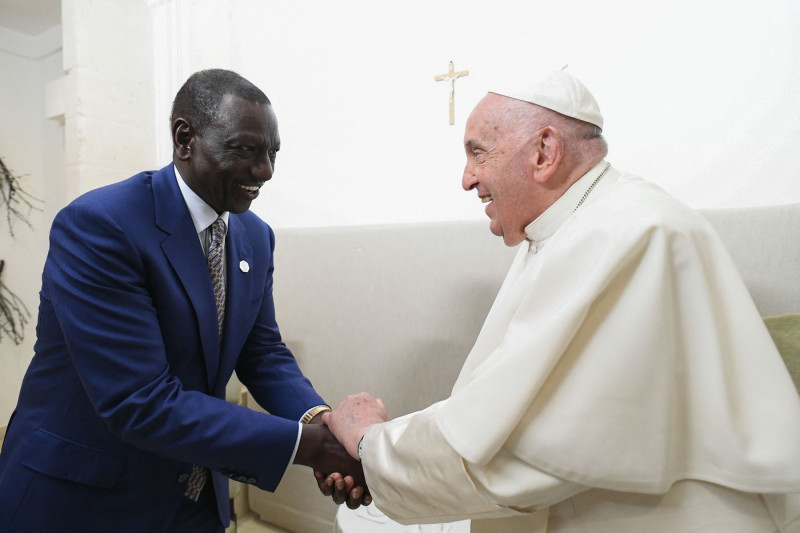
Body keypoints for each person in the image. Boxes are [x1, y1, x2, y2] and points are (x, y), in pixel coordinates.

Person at [323, 69, 800, 532]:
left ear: (545, 152)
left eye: (478, 153)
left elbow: (521, 448)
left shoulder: (633, 235)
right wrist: (378, 447)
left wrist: (368, 442)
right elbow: (492, 408)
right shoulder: (571, 228)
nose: (467, 179)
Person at [0, 69, 367, 533]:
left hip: (193, 499)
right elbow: (141, 401)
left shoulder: (254, 236)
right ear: (184, 138)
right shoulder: (100, 226)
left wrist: (322, 419)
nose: (265, 172)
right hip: (84, 499)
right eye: (247, 150)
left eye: (273, 154)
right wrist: (312, 447)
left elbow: (262, 352)